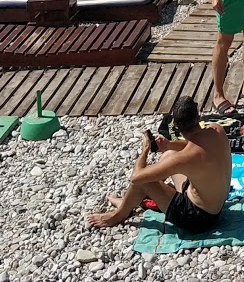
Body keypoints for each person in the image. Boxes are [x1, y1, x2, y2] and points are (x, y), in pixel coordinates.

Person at [86, 96, 231, 232]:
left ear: (174, 124)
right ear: (198, 117)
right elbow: (195, 145)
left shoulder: (185, 158)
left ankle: (117, 216)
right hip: (214, 206)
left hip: (198, 219)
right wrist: (169, 145)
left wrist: (145, 151)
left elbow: (136, 177)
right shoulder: (216, 129)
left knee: (144, 182)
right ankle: (131, 200)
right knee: (168, 154)